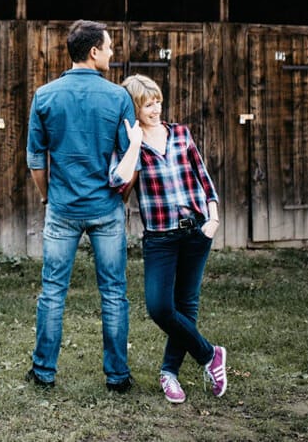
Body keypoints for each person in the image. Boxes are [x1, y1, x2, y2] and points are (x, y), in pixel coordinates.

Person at [25, 20, 139, 393]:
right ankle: (118, 377)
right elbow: (130, 160)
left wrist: (47, 197)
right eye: (108, 47)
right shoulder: (118, 97)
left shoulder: (44, 95)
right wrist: (119, 197)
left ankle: (44, 372)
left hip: (62, 208)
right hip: (106, 208)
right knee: (113, 292)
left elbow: (36, 161)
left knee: (53, 291)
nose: (111, 53)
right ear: (93, 52)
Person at [112, 74, 227, 403]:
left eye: (158, 101)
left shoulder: (180, 133)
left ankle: (169, 373)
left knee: (186, 306)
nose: (156, 109)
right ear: (135, 106)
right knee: (160, 307)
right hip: (160, 238)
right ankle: (210, 355)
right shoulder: (131, 146)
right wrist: (133, 145)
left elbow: (203, 176)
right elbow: (120, 190)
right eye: (148, 104)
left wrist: (214, 217)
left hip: (196, 230)